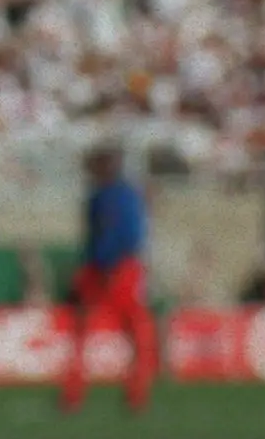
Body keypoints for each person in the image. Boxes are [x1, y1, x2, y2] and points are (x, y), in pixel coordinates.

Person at [61, 146, 155, 415]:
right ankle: (133, 396)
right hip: (112, 268)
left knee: (106, 331)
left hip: (115, 269)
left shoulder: (115, 196)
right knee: (133, 332)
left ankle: (79, 396)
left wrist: (102, 268)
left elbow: (121, 236)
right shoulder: (111, 195)